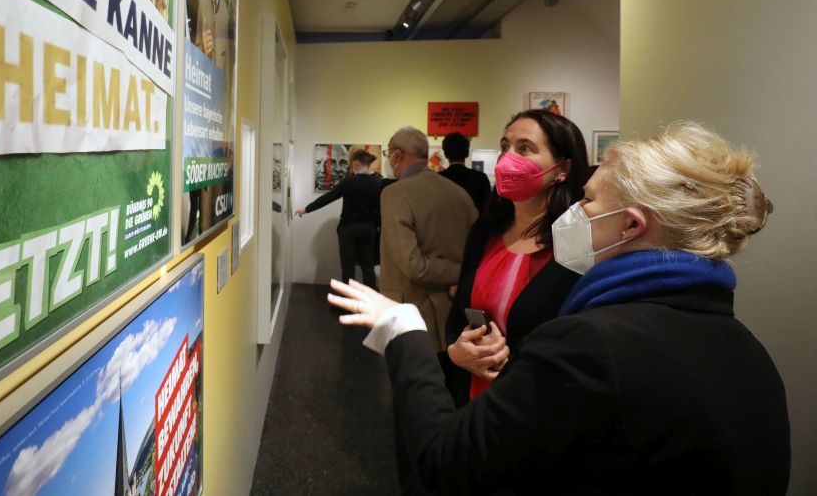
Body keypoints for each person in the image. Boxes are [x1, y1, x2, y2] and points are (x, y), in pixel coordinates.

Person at [327, 122, 790, 494]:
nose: (574, 213)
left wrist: (401, 327)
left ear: (630, 225)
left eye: (588, 201)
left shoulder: (593, 345)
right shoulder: (747, 349)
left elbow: (443, 468)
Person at [444, 110, 588, 404]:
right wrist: (456, 352)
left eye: (525, 148)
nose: (507, 159)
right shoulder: (485, 231)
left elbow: (580, 343)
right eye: (505, 147)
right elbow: (459, 314)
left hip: (533, 409)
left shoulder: (578, 243)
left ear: (563, 168)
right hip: (472, 400)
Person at [380, 126, 477, 355]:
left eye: (388, 153)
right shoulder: (459, 194)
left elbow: (413, 265)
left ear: (397, 154)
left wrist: (456, 272)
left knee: (412, 386)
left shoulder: (395, 193)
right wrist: (463, 274)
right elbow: (477, 249)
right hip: (453, 312)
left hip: (411, 314)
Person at [295, 149, 382, 289]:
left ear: (357, 163)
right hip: (368, 229)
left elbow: (328, 198)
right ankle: (370, 304)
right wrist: (377, 225)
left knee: (348, 267)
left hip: (348, 229)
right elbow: (380, 209)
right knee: (368, 267)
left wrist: (306, 209)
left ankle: (348, 302)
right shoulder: (378, 183)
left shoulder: (349, 182)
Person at [439, 132, 491, 215]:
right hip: (474, 227)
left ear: (445, 154)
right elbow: (487, 210)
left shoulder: (438, 179)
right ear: (467, 153)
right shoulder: (480, 178)